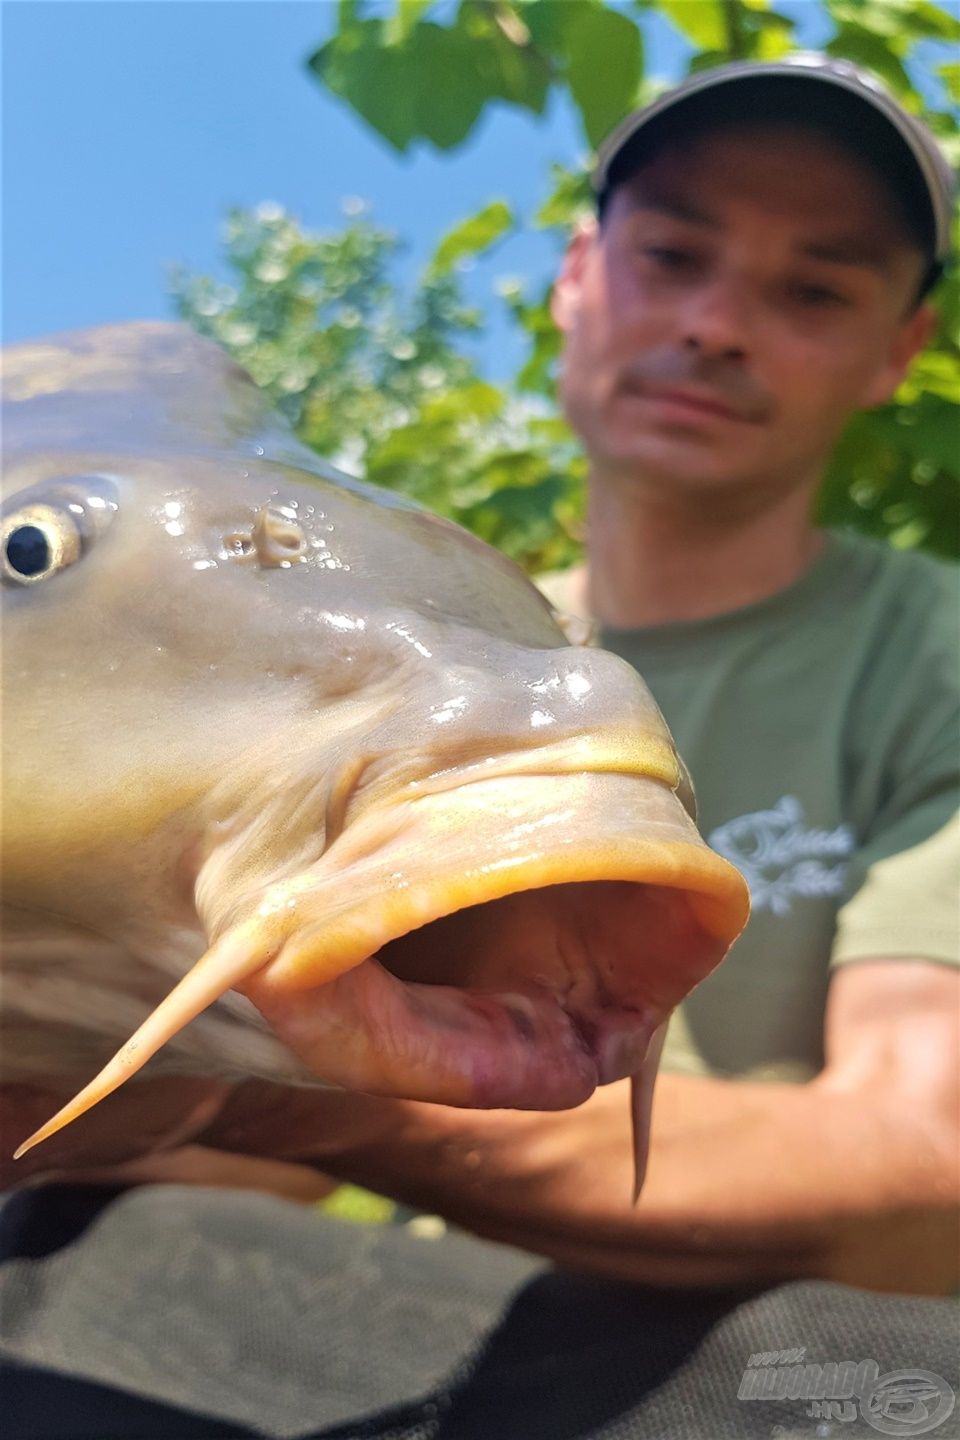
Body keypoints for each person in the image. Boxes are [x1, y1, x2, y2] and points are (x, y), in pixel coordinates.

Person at [3, 52, 959, 1440]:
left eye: (813, 287)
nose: (717, 324)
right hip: (386, 1331)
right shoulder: (393, 624)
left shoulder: (930, 656)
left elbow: (933, 1173)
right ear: (577, 276)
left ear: (897, 353)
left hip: (779, 1362)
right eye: (674, 254)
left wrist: (298, 1096)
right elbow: (222, 1187)